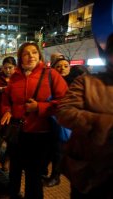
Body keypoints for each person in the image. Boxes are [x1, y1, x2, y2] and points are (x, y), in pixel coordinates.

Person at [1, 42, 68, 199]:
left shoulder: (51, 74)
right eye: (26, 53)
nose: (30, 56)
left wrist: (40, 107)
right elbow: (6, 98)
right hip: (17, 131)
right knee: (15, 169)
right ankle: (13, 193)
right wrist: (7, 111)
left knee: (33, 175)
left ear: (39, 56)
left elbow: (65, 101)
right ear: (20, 58)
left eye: (34, 52)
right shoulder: (15, 77)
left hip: (40, 134)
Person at [56, 34, 113, 199]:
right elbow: (64, 110)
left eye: (65, 66)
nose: (62, 69)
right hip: (90, 174)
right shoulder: (87, 82)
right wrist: (103, 123)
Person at [43, 55, 87, 187]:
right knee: (48, 148)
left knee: (58, 150)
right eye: (58, 66)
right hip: (49, 120)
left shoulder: (76, 83)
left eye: (65, 66)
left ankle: (55, 176)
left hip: (65, 123)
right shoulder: (49, 82)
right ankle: (44, 171)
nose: (62, 68)